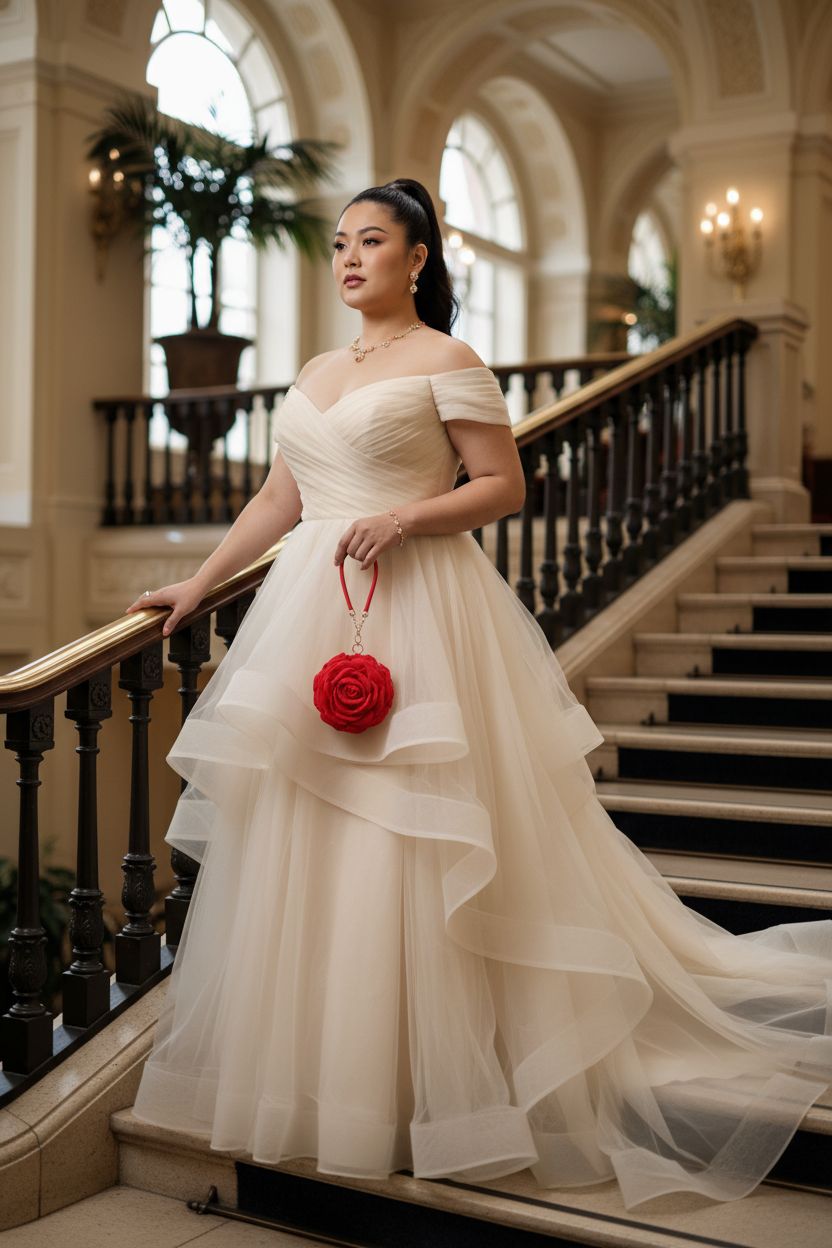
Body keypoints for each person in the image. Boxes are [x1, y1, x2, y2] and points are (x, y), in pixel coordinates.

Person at [127, 178, 832, 1211]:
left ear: (420, 258)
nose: (350, 257)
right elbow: (281, 497)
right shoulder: (319, 371)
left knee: (406, 837)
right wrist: (196, 585)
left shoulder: (447, 360)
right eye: (338, 243)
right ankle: (332, 1077)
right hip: (306, 610)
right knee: (309, 834)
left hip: (415, 608)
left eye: (372, 240)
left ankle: (429, 1086)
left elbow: (504, 487)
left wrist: (407, 518)